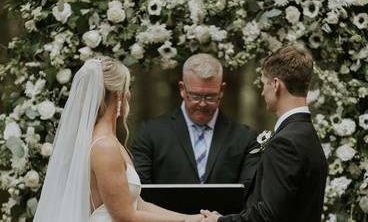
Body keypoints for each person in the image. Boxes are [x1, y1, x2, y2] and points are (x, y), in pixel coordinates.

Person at [33, 57, 203, 222]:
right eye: (127, 88)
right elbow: (125, 216)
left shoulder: (108, 140)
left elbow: (138, 205)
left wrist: (191, 218)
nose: (129, 94)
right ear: (118, 95)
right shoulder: (104, 146)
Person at [201, 45, 328, 222]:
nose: (262, 92)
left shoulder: (286, 143)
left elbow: (268, 215)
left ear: (275, 84)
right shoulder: (306, 134)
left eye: (263, 84)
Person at [131, 53, 259, 186]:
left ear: (221, 90)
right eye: (195, 96)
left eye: (210, 97)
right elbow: (141, 189)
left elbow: (248, 192)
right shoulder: (150, 133)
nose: (202, 104)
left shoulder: (245, 138)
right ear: (182, 89)